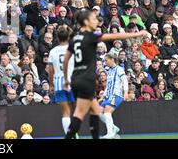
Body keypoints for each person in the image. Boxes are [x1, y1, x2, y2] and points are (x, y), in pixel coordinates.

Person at [63, 9, 147, 139]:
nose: (96, 21)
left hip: (76, 79)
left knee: (95, 111)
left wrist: (67, 80)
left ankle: (110, 130)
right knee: (82, 114)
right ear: (86, 22)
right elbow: (115, 36)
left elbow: (66, 59)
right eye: (93, 19)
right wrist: (137, 33)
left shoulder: (75, 38)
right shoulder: (91, 36)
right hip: (87, 79)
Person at [47, 26, 75, 135]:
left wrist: (51, 84)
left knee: (65, 112)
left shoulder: (53, 51)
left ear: (57, 38)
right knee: (77, 110)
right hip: (72, 81)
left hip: (59, 83)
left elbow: (50, 70)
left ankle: (69, 135)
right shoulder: (73, 48)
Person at [99, 53, 128, 139]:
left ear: (112, 59)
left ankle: (110, 133)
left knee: (107, 112)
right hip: (109, 95)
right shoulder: (109, 70)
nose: (105, 62)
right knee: (99, 112)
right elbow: (108, 85)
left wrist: (125, 92)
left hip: (116, 95)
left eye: (106, 60)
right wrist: (103, 96)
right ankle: (114, 128)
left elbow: (125, 80)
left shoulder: (119, 69)